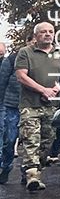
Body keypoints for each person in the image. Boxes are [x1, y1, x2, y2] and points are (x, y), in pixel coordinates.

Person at [14, 22, 60, 191]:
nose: (48, 34)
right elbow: (21, 76)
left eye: (51, 31)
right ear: (36, 36)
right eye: (43, 32)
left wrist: (57, 88)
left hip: (53, 105)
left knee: (47, 142)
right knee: (31, 140)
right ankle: (32, 176)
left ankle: (31, 169)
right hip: (30, 105)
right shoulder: (25, 53)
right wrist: (43, 90)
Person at [0, 41, 21, 184]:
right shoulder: (12, 59)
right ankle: (6, 167)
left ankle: (30, 173)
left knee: (31, 141)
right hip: (11, 104)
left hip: (33, 104)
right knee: (10, 139)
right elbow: (2, 81)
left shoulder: (47, 58)